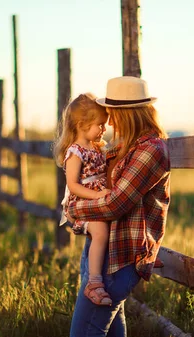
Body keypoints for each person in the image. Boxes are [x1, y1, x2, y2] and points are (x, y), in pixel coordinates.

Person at [67, 76, 171, 337]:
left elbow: (115, 203)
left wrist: (74, 212)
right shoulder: (125, 147)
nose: (109, 121)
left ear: (129, 114)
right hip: (102, 256)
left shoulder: (150, 150)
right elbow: (91, 180)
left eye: (112, 113)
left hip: (122, 261)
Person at [54, 93, 113, 306]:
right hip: (83, 201)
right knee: (100, 232)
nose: (103, 129)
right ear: (81, 124)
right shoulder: (75, 152)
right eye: (99, 124)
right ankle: (94, 283)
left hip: (96, 198)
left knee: (107, 231)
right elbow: (73, 185)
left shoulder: (96, 147)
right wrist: (97, 195)